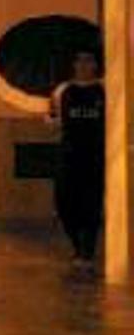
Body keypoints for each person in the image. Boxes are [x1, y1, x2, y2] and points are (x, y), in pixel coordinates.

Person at [50, 48, 105, 269]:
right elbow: (53, 120)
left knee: (91, 204)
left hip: (95, 156)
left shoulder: (105, 90)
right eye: (78, 60)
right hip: (69, 154)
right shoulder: (62, 91)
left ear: (95, 64)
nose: (83, 65)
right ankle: (77, 245)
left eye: (88, 60)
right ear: (73, 64)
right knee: (64, 203)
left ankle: (87, 252)